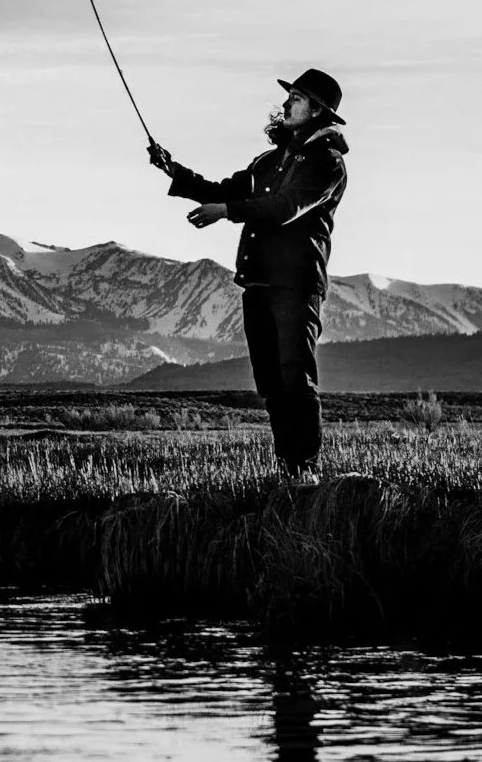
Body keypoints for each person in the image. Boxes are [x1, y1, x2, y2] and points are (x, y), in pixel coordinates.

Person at [148, 69, 348, 489]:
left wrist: (226, 211)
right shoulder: (269, 160)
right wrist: (173, 171)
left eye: (297, 97)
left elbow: (284, 207)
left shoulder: (327, 163)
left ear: (317, 110)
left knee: (297, 377)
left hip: (296, 283)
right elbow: (227, 189)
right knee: (272, 384)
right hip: (259, 282)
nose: (287, 103)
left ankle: (308, 472)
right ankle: (289, 473)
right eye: (290, 95)